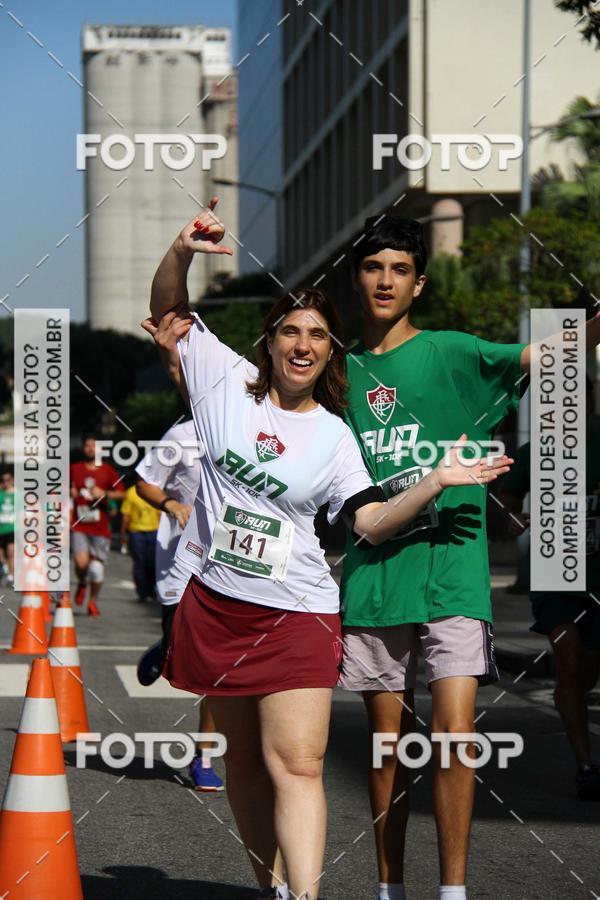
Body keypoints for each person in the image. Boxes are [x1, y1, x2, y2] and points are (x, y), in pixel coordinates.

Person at [141, 202, 512, 900]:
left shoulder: (338, 436)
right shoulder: (224, 385)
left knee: (300, 765)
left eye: (317, 334)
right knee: (244, 767)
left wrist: (435, 481)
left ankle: (306, 897)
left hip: (299, 612)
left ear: (330, 350)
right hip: (218, 606)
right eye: (291, 330)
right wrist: (182, 249)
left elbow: (369, 522)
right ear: (270, 340)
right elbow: (169, 308)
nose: (303, 344)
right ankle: (275, 887)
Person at [336, 214, 600, 900]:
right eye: (374, 268)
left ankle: (453, 892)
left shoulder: (452, 350)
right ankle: (390, 887)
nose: (386, 281)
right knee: (387, 746)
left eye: (400, 270)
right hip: (376, 575)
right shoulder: (338, 369)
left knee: (454, 734)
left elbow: (552, 353)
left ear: (418, 285)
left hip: (453, 568)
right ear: (356, 279)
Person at [499, 380, 600, 801]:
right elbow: (506, 500)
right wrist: (513, 518)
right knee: (569, 661)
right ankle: (586, 766)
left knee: (588, 672)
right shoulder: (534, 454)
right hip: (556, 573)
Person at [135, 420, 224, 791]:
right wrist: (171, 504)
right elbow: (144, 482)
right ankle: (167, 646)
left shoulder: (249, 428)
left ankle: (203, 756)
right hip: (179, 561)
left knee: (219, 668)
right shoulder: (181, 435)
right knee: (183, 648)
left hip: (228, 562)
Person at [70, 435, 125, 616]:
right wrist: (69, 491)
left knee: (96, 569)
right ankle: (82, 582)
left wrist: (104, 493)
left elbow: (122, 493)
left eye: (94, 446)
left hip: (100, 528)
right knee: (81, 564)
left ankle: (92, 601)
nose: (90, 449)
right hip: (79, 525)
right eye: (87, 445)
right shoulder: (74, 468)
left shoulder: (108, 471)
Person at [119, 483, 160, 603]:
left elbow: (160, 514)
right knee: (139, 562)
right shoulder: (131, 492)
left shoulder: (156, 490)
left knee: (152, 562)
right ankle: (142, 591)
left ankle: (152, 589)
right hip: (136, 532)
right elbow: (126, 515)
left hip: (154, 531)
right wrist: (123, 534)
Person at [0, 469, 16, 585]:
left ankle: (11, 575)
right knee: (1, 554)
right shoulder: (1, 494)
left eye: (8, 480)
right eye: (3, 480)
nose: (6, 482)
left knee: (11, 552)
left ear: (12, 480)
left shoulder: (18, 494)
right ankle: (5, 569)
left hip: (12, 528)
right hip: (1, 528)